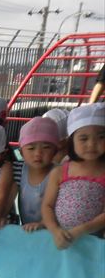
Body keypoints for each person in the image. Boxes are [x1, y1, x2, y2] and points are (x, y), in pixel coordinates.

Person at [41, 103, 105, 248]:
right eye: (84, 138)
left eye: (101, 137)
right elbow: (47, 206)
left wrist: (80, 230)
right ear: (72, 140)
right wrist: (55, 230)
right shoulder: (60, 171)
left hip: (92, 242)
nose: (92, 144)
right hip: (58, 238)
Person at [12, 117, 60, 231]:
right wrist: (2, 216)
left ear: (55, 151)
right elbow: (8, 197)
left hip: (52, 232)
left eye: (46, 147)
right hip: (27, 230)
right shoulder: (19, 169)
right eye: (31, 148)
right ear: (21, 152)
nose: (38, 153)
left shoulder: (60, 173)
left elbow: (62, 208)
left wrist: (43, 224)